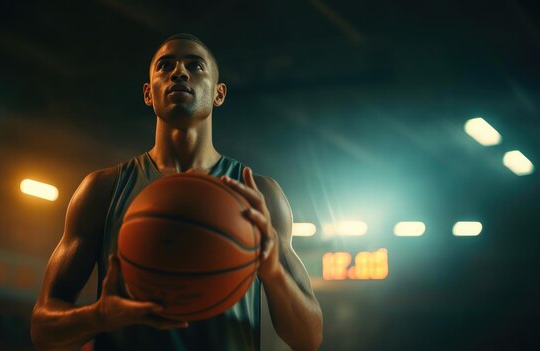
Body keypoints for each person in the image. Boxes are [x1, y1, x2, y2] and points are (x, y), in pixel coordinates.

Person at [30, 33, 323, 351]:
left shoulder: (259, 194)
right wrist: (99, 317)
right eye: (165, 66)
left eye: (195, 66)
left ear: (218, 94)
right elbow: (42, 330)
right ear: (148, 93)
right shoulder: (102, 189)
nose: (179, 72)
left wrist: (273, 272)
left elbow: (308, 339)